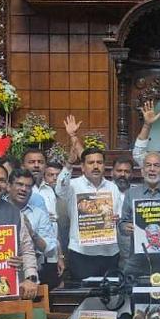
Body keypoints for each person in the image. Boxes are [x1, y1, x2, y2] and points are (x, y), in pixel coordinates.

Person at [56, 115, 124, 280]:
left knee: (110, 297)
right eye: (91, 162)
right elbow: (59, 188)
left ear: (104, 166)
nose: (95, 166)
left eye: (99, 162)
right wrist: (68, 164)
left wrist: (117, 218)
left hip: (109, 252)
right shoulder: (73, 186)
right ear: (83, 167)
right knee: (83, 297)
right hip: (81, 253)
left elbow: (121, 215)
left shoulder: (113, 187)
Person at [0, 162, 40, 298]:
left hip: (7, 286)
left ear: (7, 185)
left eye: (2, 181)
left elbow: (27, 249)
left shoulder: (15, 213)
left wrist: (30, 278)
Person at [119, 150, 160, 276]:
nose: (152, 169)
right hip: (137, 262)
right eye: (148, 165)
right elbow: (122, 224)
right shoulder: (131, 194)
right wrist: (125, 227)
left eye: (156, 165)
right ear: (142, 170)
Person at [10, 167, 58, 285]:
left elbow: (50, 250)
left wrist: (32, 233)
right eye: (19, 184)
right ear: (8, 186)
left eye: (28, 186)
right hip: (2, 272)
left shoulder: (39, 214)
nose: (23, 189)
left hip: (33, 276)